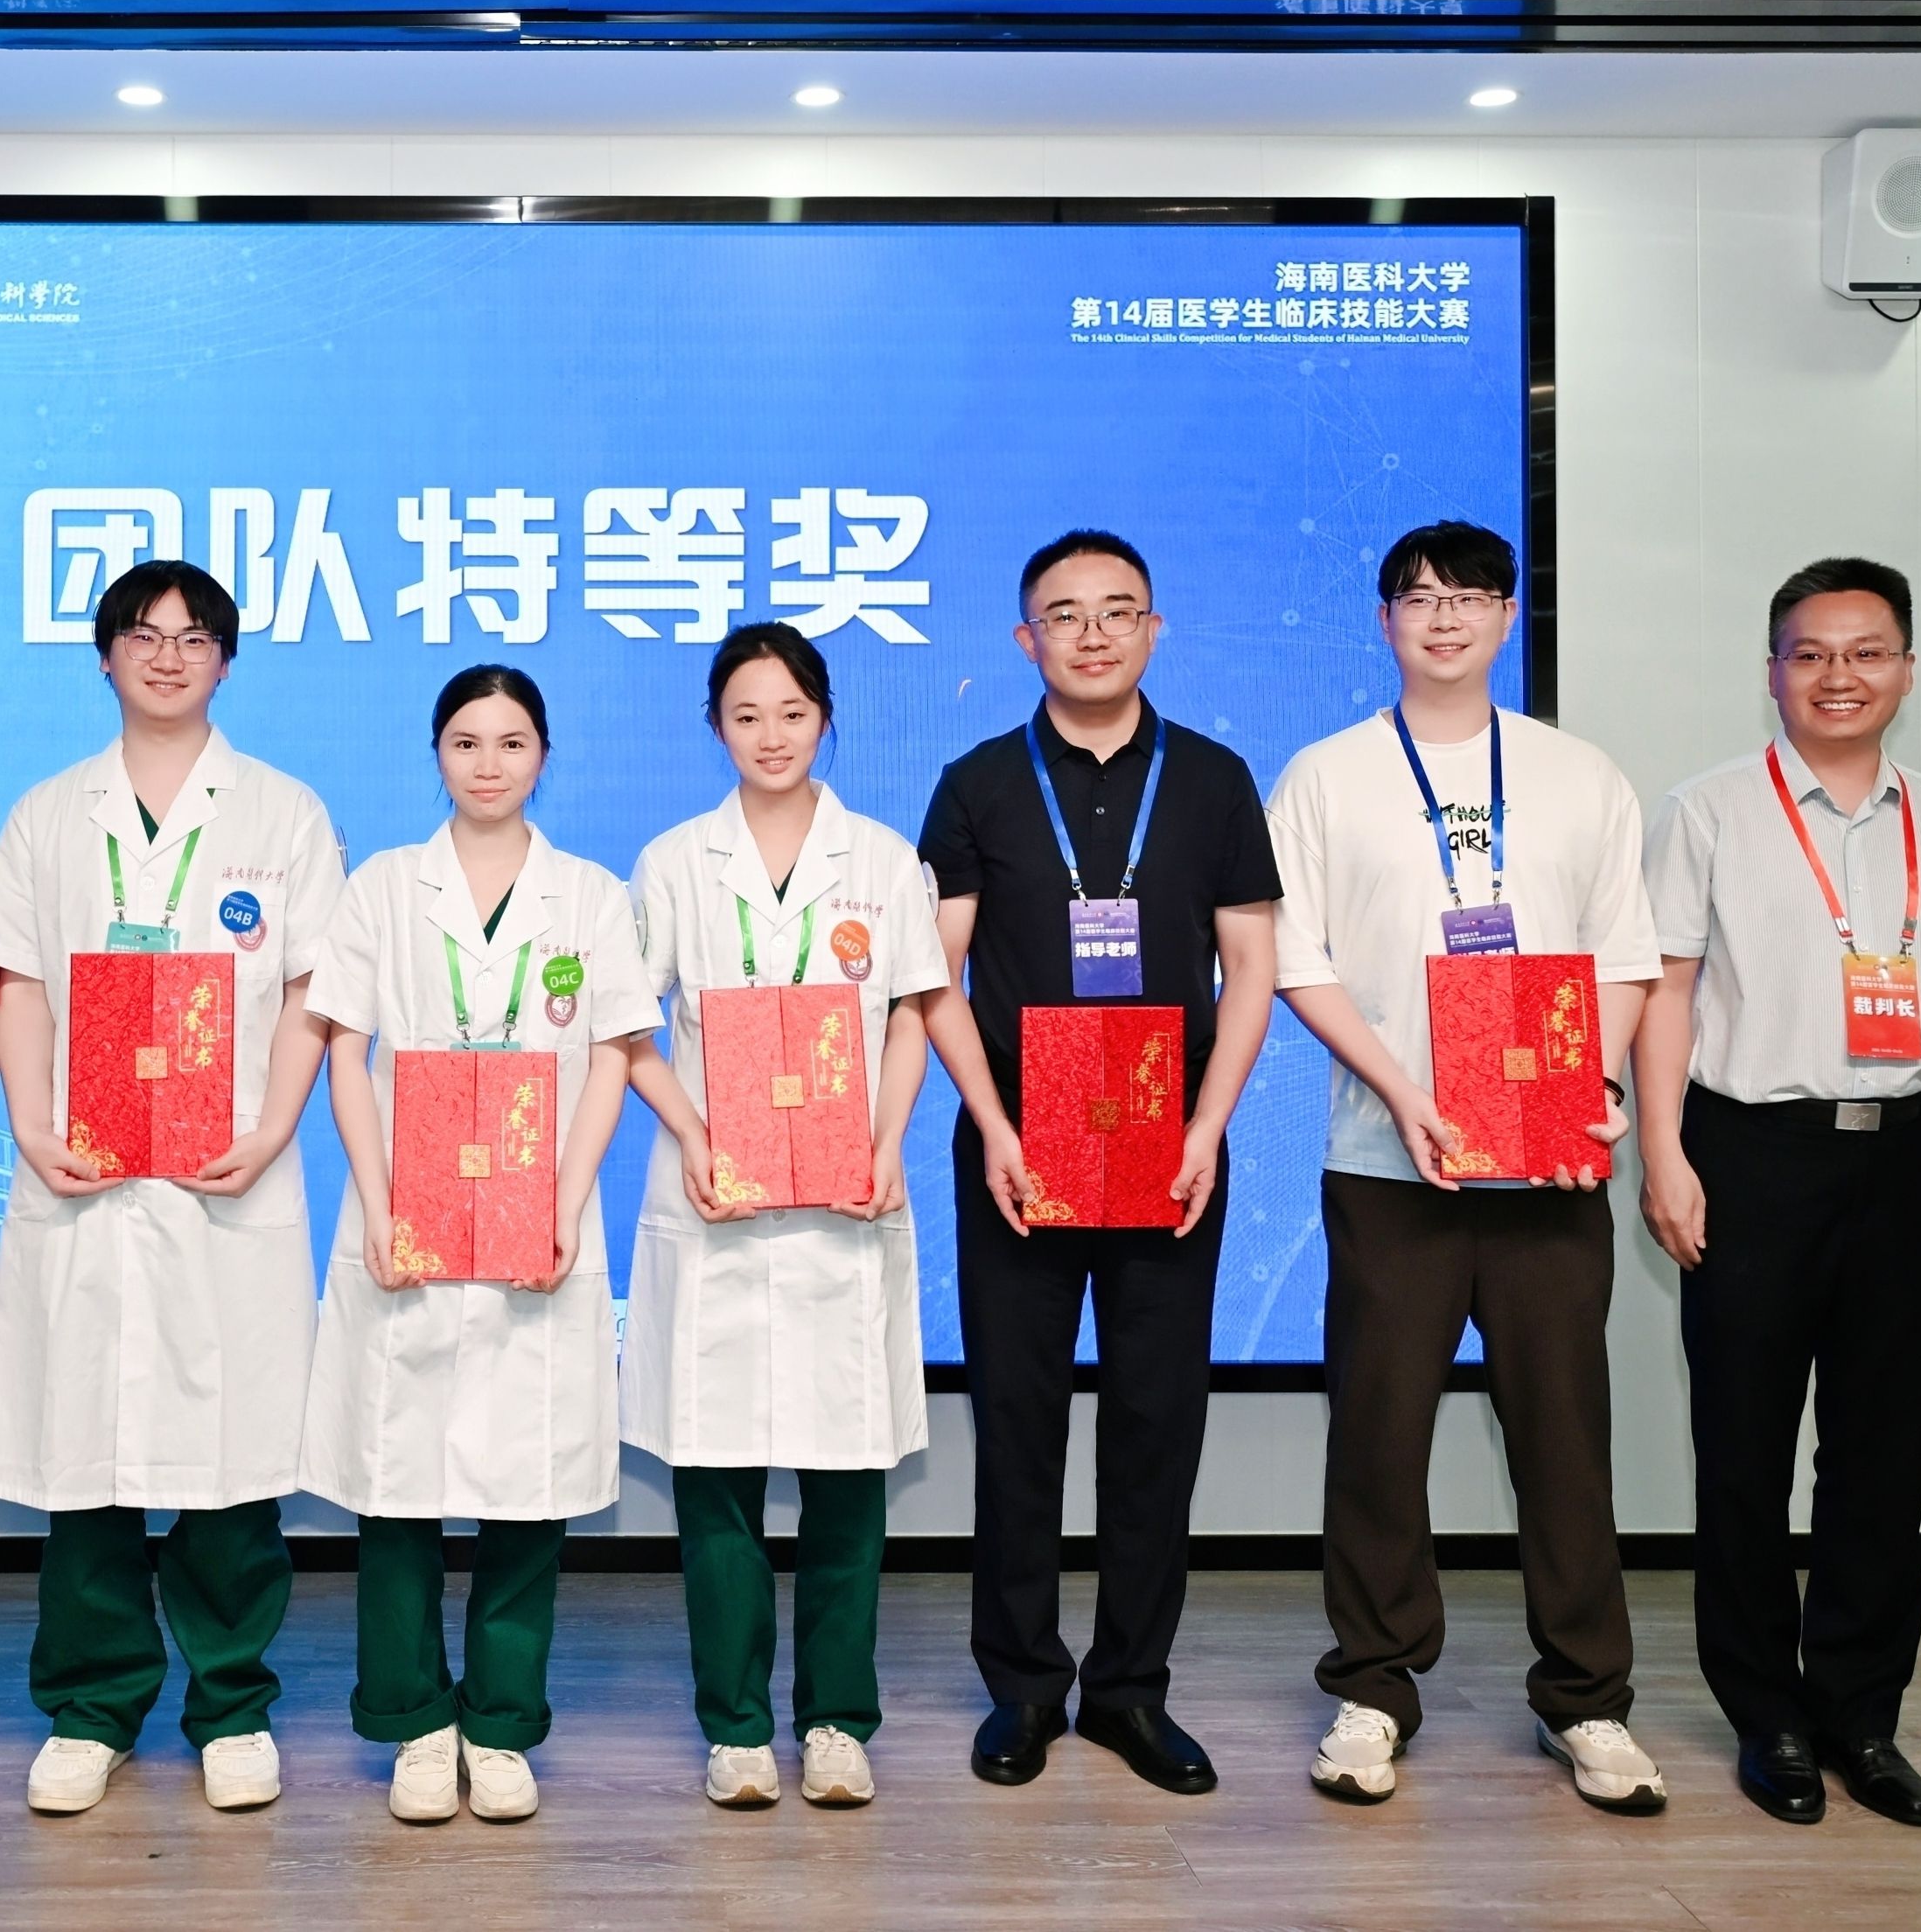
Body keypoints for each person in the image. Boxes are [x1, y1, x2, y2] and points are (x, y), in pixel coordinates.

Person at [1265, 520, 1666, 1815]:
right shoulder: (1326, 775)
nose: (1444, 616)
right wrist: (1404, 1093)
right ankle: (1373, 1688)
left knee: (1564, 1438)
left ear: (1507, 615)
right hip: (1390, 1167)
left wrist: (1591, 1092)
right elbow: (1296, 959)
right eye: (1419, 597)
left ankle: (1587, 1700)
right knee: (1377, 1437)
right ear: (1384, 619)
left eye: (1471, 595)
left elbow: (1624, 955)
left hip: (1549, 1171)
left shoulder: (1578, 774)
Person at [1634, 558, 1921, 1831]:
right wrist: (1664, 1154)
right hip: (1752, 1153)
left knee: (1880, 1452)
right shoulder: (1707, 810)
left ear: (1906, 668)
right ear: (1772, 671)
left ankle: (1860, 1713)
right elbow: (1666, 990)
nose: (1837, 675)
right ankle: (1769, 1717)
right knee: (1743, 1449)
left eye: (1864, 652)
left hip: (1907, 1158)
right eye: (1810, 653)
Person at [0, 560, 346, 1817]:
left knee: (232, 1465)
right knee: (86, 1460)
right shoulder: (47, 813)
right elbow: (18, 982)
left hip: (224, 1175)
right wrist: (29, 1125)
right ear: (105, 656)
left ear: (225, 661)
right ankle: (92, 1707)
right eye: (144, 634)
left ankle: (232, 1704)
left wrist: (273, 1126)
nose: (169, 656)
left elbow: (311, 988)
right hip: (83, 1173)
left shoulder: (283, 811)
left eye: (194, 638)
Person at [921, 531, 1282, 1793]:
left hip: (1169, 1145)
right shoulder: (976, 781)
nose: (1092, 633)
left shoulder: (1215, 778)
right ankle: (1023, 1686)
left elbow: (1252, 969)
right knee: (1016, 1422)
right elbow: (936, 975)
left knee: (1154, 1424)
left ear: (1153, 628)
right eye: (1064, 614)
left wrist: (1207, 1126)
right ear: (1026, 638)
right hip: (1018, 1149)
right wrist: (993, 1124)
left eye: (1117, 610)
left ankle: (1131, 1690)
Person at [299, 665, 660, 1824]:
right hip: (407, 1214)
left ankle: (500, 1724)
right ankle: (414, 1720)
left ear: (542, 755)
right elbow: (343, 1052)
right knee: (395, 1486)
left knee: (528, 1488)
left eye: (511, 741)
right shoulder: (381, 886)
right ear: (437, 754)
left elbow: (609, 1058)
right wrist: (378, 1201)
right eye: (466, 740)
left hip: (534, 1216)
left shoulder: (589, 894)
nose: (488, 762)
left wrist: (563, 1202)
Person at [625, 621, 948, 1811]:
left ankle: (837, 1719)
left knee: (847, 1469)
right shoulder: (673, 861)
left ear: (826, 718)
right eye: (746, 714)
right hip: (716, 1197)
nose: (771, 735)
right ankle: (735, 1726)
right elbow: (629, 1023)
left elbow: (911, 1010)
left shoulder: (882, 857)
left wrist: (886, 1141)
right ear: (714, 724)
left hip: (843, 1201)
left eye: (793, 713)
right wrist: (694, 1134)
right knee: (714, 1472)